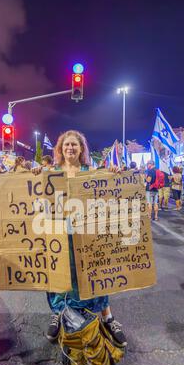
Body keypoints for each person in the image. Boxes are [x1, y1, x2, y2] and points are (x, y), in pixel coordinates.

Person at [32, 130, 127, 347]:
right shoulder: (51, 172)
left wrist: (112, 172)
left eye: (74, 145)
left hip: (86, 234)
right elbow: (35, 193)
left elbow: (109, 189)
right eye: (66, 145)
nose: (70, 148)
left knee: (96, 272)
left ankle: (108, 318)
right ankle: (57, 313)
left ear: (81, 148)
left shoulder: (91, 171)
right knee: (57, 271)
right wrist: (36, 172)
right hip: (58, 233)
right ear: (60, 149)